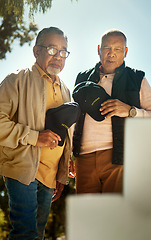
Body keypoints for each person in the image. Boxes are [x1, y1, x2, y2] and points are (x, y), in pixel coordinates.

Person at [0, 27, 72, 239]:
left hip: (50, 178)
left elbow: (65, 133)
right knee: (26, 233)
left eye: (63, 51)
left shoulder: (66, 91)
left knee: (37, 234)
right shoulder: (16, 80)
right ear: (36, 51)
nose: (58, 57)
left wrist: (62, 170)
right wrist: (35, 137)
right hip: (22, 170)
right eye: (51, 49)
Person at [72, 29, 151, 194]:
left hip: (120, 159)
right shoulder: (82, 77)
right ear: (99, 50)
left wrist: (130, 111)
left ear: (126, 52)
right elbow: (74, 117)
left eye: (118, 49)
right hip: (83, 158)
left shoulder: (137, 78)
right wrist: (69, 155)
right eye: (107, 48)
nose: (111, 54)